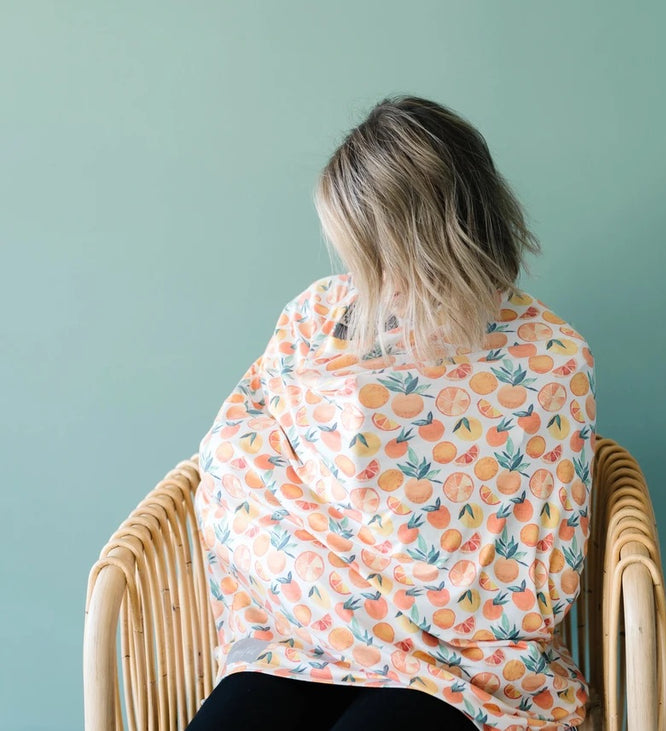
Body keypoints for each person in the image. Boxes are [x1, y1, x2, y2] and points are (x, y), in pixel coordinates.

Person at [190, 95, 597, 731]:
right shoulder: (316, 319)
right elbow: (237, 461)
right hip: (299, 638)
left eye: (373, 248)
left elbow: (538, 567)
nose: (361, 271)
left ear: (436, 236)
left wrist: (403, 613)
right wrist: (335, 596)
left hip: (464, 666)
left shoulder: (550, 359)